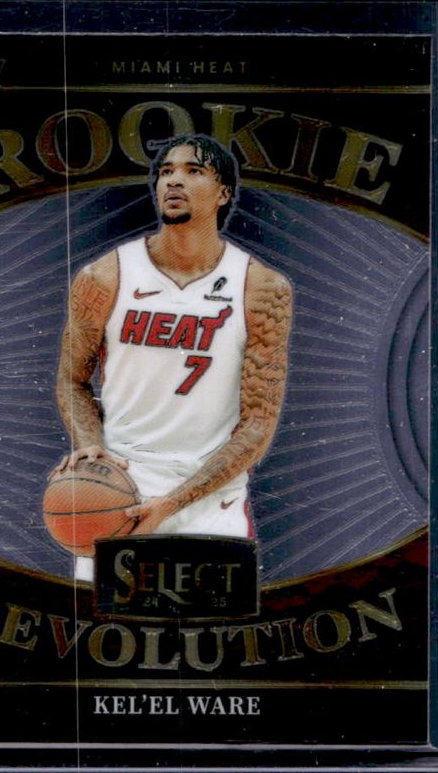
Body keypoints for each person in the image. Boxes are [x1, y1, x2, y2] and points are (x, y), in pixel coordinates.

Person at [52, 133, 293, 581]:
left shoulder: (261, 288)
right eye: (166, 172)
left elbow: (258, 423)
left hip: (211, 503)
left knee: (213, 627)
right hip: (119, 496)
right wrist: (89, 445)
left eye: (193, 171)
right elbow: (72, 379)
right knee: (108, 625)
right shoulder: (104, 276)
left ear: (224, 193)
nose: (174, 181)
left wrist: (173, 503)